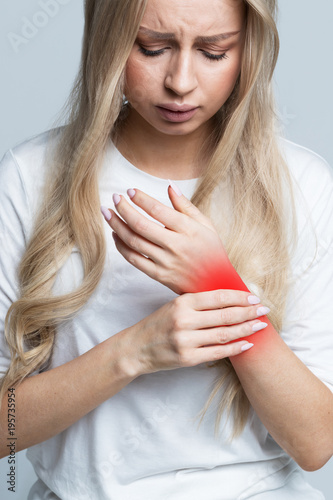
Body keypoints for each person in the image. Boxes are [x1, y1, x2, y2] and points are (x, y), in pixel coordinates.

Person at [0, 0, 332, 498]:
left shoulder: (302, 186)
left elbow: (316, 443)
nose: (180, 81)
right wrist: (134, 351)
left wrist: (216, 281)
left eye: (214, 52)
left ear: (250, 51)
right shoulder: (31, 177)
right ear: (108, 41)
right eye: (152, 48)